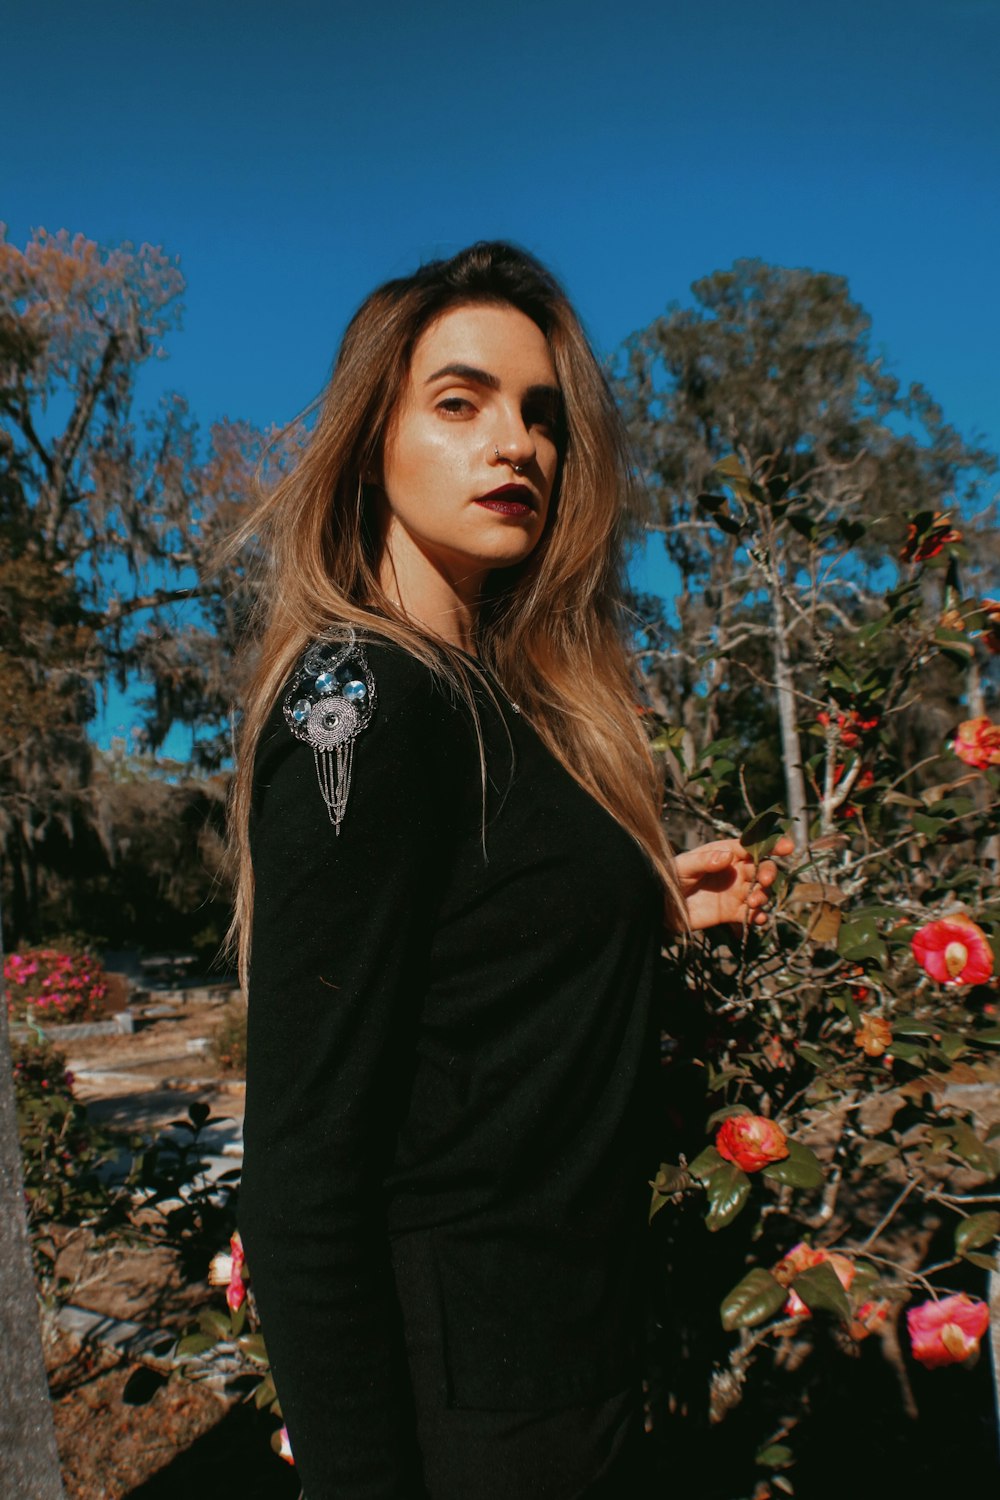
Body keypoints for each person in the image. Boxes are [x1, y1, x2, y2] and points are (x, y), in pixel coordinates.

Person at [230, 242, 788, 1500]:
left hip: (566, 1366)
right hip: (468, 1411)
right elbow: (305, 1172)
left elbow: (467, 963)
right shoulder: (362, 700)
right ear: (372, 434)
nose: (517, 444)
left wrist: (639, 905)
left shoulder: (493, 702)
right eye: (459, 402)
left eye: (540, 415)